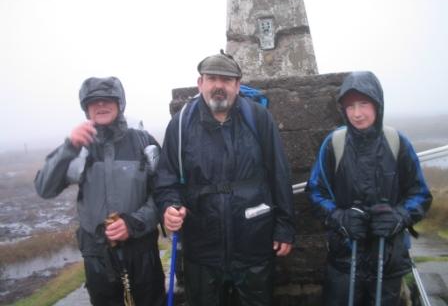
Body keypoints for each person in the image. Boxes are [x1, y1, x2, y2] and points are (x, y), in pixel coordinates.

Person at [154, 50, 295, 306]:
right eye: (212, 78)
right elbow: (167, 179)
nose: (219, 86)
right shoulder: (181, 124)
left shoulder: (259, 118)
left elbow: (279, 174)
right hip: (202, 247)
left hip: (254, 242)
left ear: (237, 85)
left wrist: (284, 226)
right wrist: (168, 207)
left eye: (227, 79)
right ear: (200, 83)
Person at [34, 76, 165, 306]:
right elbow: (45, 188)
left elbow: (163, 194)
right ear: (86, 108)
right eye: (94, 101)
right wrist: (68, 148)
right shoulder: (77, 146)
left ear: (120, 103)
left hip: (143, 252)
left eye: (108, 100)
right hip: (97, 255)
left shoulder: (143, 141)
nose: (101, 105)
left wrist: (133, 223)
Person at [306, 71, 432, 306]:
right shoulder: (334, 144)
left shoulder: (397, 142)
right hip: (345, 259)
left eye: (364, 103)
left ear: (377, 104)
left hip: (388, 258)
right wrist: (339, 217)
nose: (357, 113)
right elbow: (315, 192)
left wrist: (399, 217)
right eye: (350, 106)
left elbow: (420, 194)